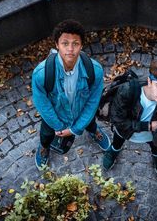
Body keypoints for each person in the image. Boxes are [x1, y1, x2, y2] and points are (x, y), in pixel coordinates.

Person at [32, 19, 110, 170]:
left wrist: (75, 129)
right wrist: (59, 127)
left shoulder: (95, 70)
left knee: (90, 122)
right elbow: (43, 104)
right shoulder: (42, 74)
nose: (70, 48)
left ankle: (94, 132)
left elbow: (92, 103)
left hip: (81, 111)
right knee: (46, 134)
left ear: (81, 46)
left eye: (75, 43)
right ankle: (44, 147)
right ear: (57, 44)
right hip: (55, 116)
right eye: (65, 43)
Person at [102, 59, 157, 177]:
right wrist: (148, 126)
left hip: (151, 135)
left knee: (156, 147)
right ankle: (114, 150)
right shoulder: (128, 90)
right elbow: (118, 121)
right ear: (149, 81)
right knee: (117, 140)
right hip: (125, 131)